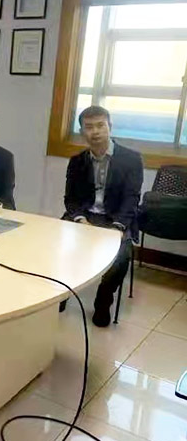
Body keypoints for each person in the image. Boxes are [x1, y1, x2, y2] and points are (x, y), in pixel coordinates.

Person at [63, 105, 143, 327]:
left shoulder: (132, 159)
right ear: (82, 132)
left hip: (115, 218)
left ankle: (104, 299)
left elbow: (131, 198)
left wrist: (117, 227)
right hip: (85, 216)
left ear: (110, 127)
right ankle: (63, 291)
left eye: (100, 125)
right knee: (60, 245)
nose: (95, 131)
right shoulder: (77, 161)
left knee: (121, 256)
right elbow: (71, 200)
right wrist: (81, 220)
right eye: (89, 127)